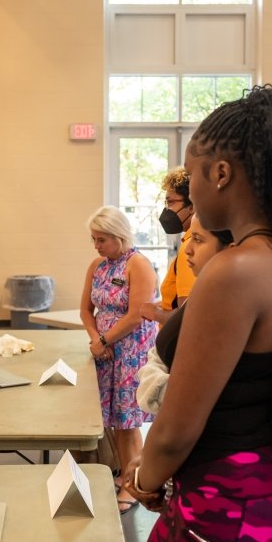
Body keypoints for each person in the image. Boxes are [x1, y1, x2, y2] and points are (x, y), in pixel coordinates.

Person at [124, 85, 272, 542]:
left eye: (193, 175)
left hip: (226, 497)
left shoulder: (238, 269)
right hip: (266, 479)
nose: (191, 188)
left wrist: (143, 480)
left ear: (221, 173)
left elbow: (176, 429)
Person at [79, 205, 158, 515]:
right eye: (94, 240)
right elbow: (85, 309)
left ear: (119, 236)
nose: (97, 246)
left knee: (128, 421)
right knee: (111, 419)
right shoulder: (98, 265)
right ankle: (123, 473)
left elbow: (137, 315)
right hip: (104, 350)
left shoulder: (138, 265)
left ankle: (133, 484)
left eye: (101, 239)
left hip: (129, 351)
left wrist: (104, 340)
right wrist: (95, 339)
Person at [137, 215, 233, 414]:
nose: (187, 249)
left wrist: (154, 382)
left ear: (229, 249)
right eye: (190, 239)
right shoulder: (201, 294)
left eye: (198, 240)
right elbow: (157, 354)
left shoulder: (227, 309)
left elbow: (192, 392)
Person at [140, 169, 195, 325]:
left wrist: (153, 313)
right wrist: (161, 305)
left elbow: (186, 316)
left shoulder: (189, 249)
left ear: (191, 206)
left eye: (170, 202)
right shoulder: (193, 241)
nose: (166, 210)